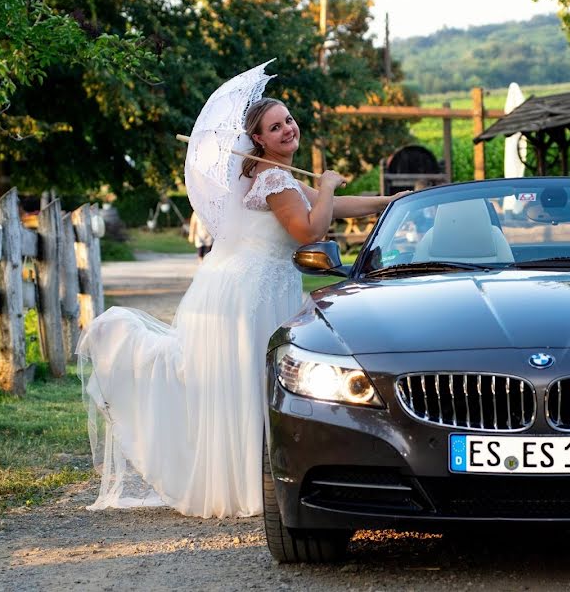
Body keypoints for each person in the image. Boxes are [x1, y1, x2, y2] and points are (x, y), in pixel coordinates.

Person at [76, 97, 405, 518]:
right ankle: (253, 484)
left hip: (258, 285)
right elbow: (310, 229)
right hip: (250, 293)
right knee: (250, 381)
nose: (288, 129)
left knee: (250, 382)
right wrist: (324, 187)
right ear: (258, 139)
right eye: (275, 127)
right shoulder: (274, 180)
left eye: (288, 120)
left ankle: (256, 478)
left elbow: (335, 207)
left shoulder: (279, 175)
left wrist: (388, 202)